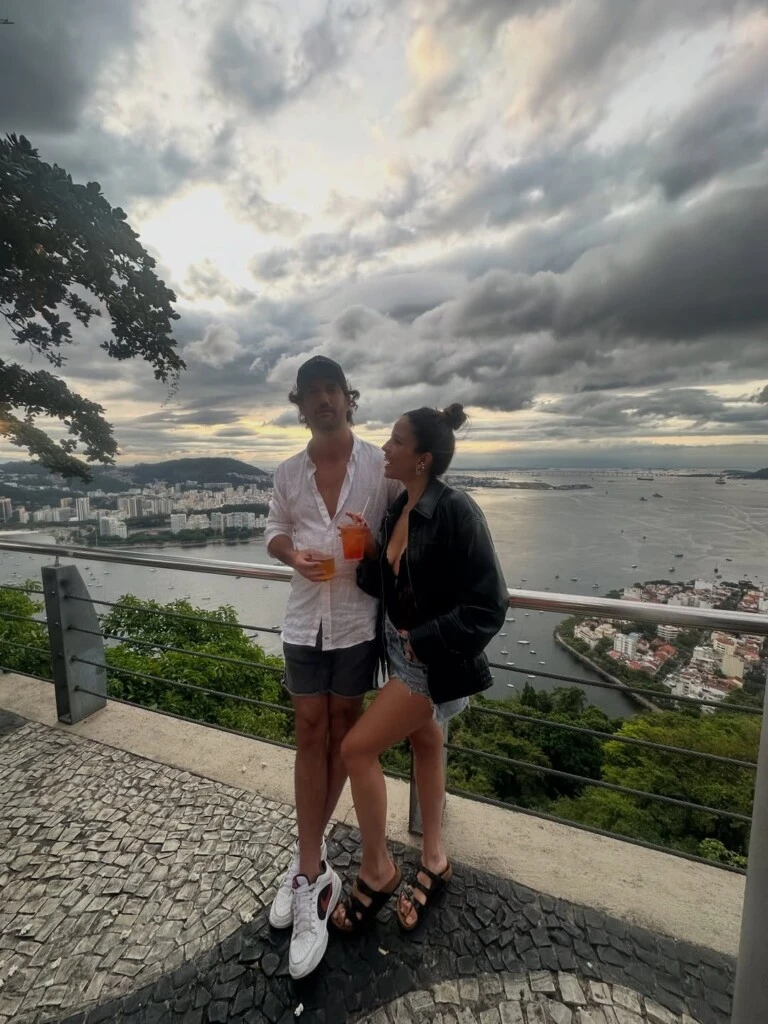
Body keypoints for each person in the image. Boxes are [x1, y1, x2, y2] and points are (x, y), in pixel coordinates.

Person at [331, 403, 508, 935]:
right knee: (427, 745)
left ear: (422, 458)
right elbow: (387, 587)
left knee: (356, 749)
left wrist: (424, 641)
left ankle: (377, 870)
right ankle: (434, 858)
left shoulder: (456, 510)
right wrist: (368, 551)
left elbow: (489, 604)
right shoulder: (399, 509)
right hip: (400, 649)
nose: (385, 448)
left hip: (425, 663)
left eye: (396, 441)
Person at [264, 355, 399, 980]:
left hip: (355, 623)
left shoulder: (378, 466)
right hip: (303, 620)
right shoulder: (288, 472)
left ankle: (307, 863)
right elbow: (275, 530)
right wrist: (293, 556)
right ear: (300, 403)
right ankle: (311, 868)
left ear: (348, 397)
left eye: (332, 390)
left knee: (345, 737)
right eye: (312, 392)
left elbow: (403, 529)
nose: (323, 400)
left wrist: (372, 545)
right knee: (308, 733)